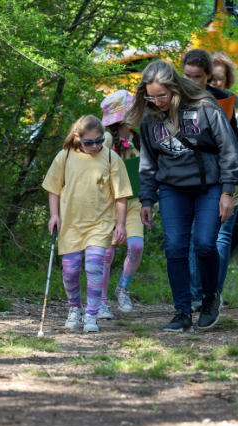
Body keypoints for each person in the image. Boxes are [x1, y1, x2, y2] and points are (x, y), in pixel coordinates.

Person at [125, 60, 238, 333]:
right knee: (176, 248)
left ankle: (210, 299)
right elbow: (148, 162)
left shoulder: (204, 107)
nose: (156, 101)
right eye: (150, 96)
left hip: (209, 187)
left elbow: (228, 151)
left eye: (161, 96)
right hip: (172, 189)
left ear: (175, 88)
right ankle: (181, 313)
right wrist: (146, 199)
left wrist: (227, 192)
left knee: (204, 244)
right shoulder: (149, 117)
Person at [182, 49, 238, 312]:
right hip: (197, 179)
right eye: (211, 79)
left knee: (221, 237)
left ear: (227, 81)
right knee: (196, 236)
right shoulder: (185, 100)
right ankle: (194, 293)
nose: (214, 84)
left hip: (231, 180)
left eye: (219, 80)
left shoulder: (236, 103)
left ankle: (214, 292)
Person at [42, 115, 133, 333]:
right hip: (71, 224)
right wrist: (54, 215)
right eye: (89, 141)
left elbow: (121, 195)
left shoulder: (111, 158)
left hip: (100, 224)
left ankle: (91, 315)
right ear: (77, 138)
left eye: (99, 140)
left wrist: (121, 225)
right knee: (70, 271)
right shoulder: (64, 157)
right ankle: (75, 308)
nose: (95, 145)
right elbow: (53, 188)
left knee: (94, 267)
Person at [98, 90, 144, 317]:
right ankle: (101, 301)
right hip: (108, 206)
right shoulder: (106, 140)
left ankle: (122, 288)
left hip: (133, 204)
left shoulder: (137, 141)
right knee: (107, 253)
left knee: (136, 246)